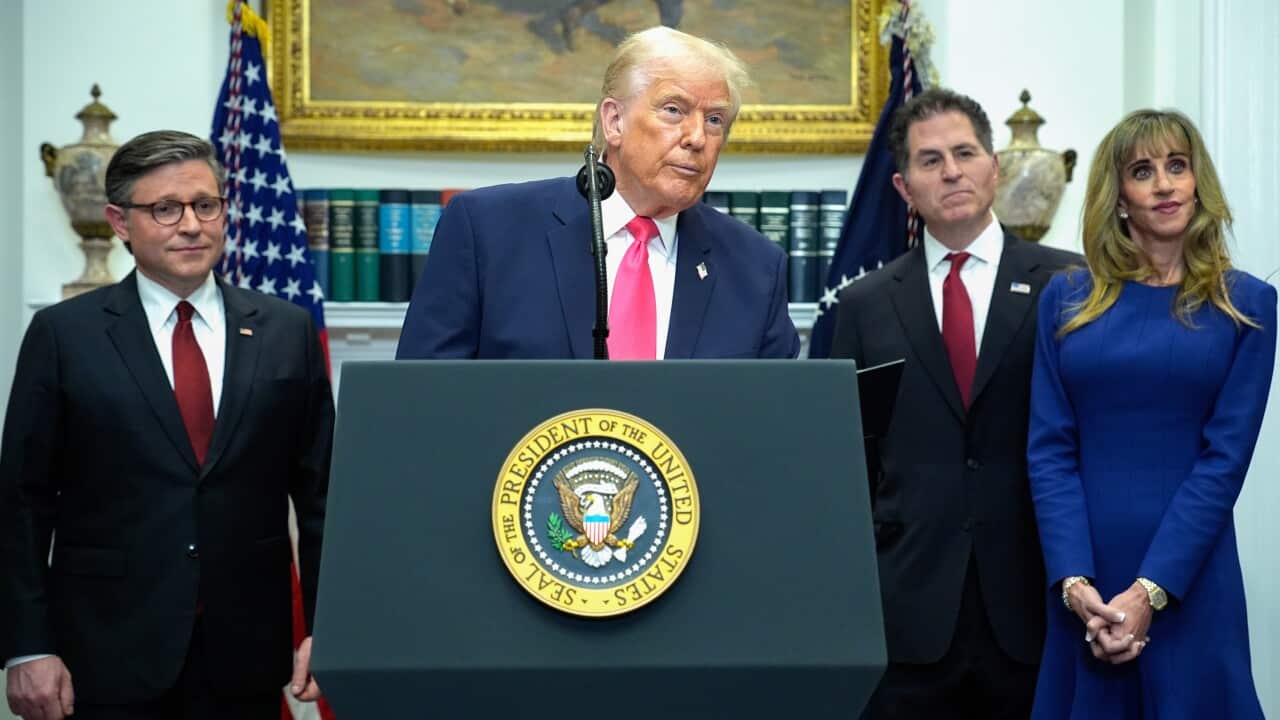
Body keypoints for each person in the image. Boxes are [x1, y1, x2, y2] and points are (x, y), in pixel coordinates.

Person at [0, 131, 333, 719]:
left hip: (245, 655)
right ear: (120, 222)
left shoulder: (287, 332)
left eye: (206, 205)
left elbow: (322, 497)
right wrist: (27, 645)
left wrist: (331, 627)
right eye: (165, 209)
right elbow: (22, 502)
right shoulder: (64, 335)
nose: (191, 224)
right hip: (103, 652)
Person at [829, 87, 1079, 718]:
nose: (951, 171)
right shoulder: (863, 306)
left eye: (965, 153)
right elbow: (841, 463)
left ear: (994, 166)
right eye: (930, 160)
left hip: (1037, 606)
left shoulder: (1072, 286)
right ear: (903, 187)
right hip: (905, 616)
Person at [1028, 109, 1273, 718]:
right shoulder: (1065, 299)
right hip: (1084, 582)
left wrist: (1151, 591)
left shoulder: (1248, 305)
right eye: (1143, 171)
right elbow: (1049, 449)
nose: (1164, 184)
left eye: (1177, 166)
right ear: (1119, 200)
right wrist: (1076, 583)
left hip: (1191, 576)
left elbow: (1225, 462)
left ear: (1198, 184)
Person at [396, 25, 799, 360]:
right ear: (614, 121)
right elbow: (421, 403)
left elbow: (776, 428)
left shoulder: (756, 268)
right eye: (674, 110)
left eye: (715, 120)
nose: (697, 137)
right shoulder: (487, 231)